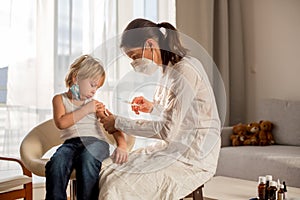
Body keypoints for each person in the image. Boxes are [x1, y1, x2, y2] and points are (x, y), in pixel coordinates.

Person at [98, 18, 222, 200]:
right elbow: (181, 114)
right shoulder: (168, 70)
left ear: (150, 44)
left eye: (134, 57)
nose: (133, 63)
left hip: (193, 157)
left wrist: (118, 122)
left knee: (117, 187)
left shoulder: (185, 71)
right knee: (108, 170)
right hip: (174, 148)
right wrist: (152, 108)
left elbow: (167, 130)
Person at [45, 55, 128, 200]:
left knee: (88, 160)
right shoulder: (60, 99)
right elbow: (61, 123)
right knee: (56, 163)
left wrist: (122, 145)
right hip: (70, 144)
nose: (95, 91)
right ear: (76, 78)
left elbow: (113, 126)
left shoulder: (95, 105)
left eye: (97, 87)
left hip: (95, 142)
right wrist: (85, 109)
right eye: (93, 84)